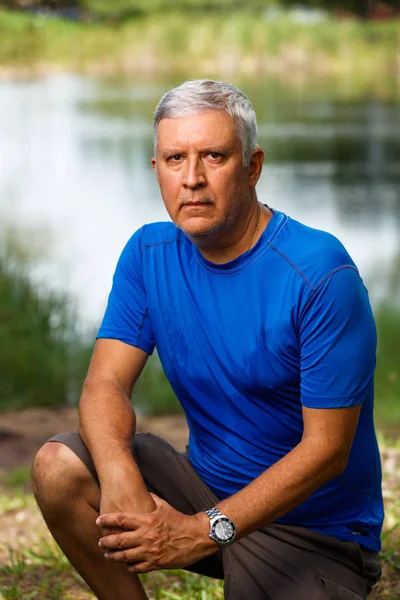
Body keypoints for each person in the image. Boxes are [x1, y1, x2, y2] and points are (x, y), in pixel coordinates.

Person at [31, 80, 383, 600]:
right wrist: (119, 472)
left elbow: (326, 451)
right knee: (59, 467)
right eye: (175, 159)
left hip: (313, 534)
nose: (192, 179)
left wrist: (200, 532)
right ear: (157, 171)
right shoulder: (147, 255)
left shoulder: (319, 273)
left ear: (253, 166)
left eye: (214, 156)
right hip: (203, 491)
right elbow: (104, 382)